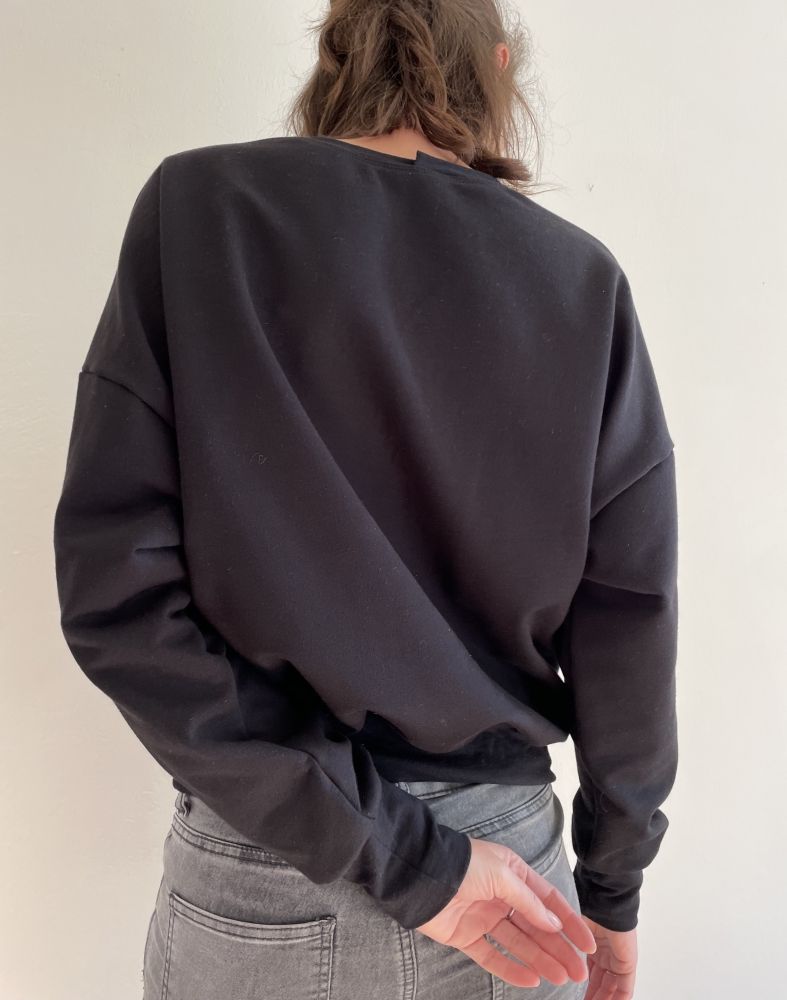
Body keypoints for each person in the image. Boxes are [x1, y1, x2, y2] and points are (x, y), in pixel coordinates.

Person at [53, 1, 678, 998]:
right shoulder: (580, 283)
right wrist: (613, 887)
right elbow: (627, 631)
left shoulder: (199, 211)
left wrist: (393, 850)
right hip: (512, 886)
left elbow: (116, 599)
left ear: (337, 50)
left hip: (272, 857)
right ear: (497, 67)